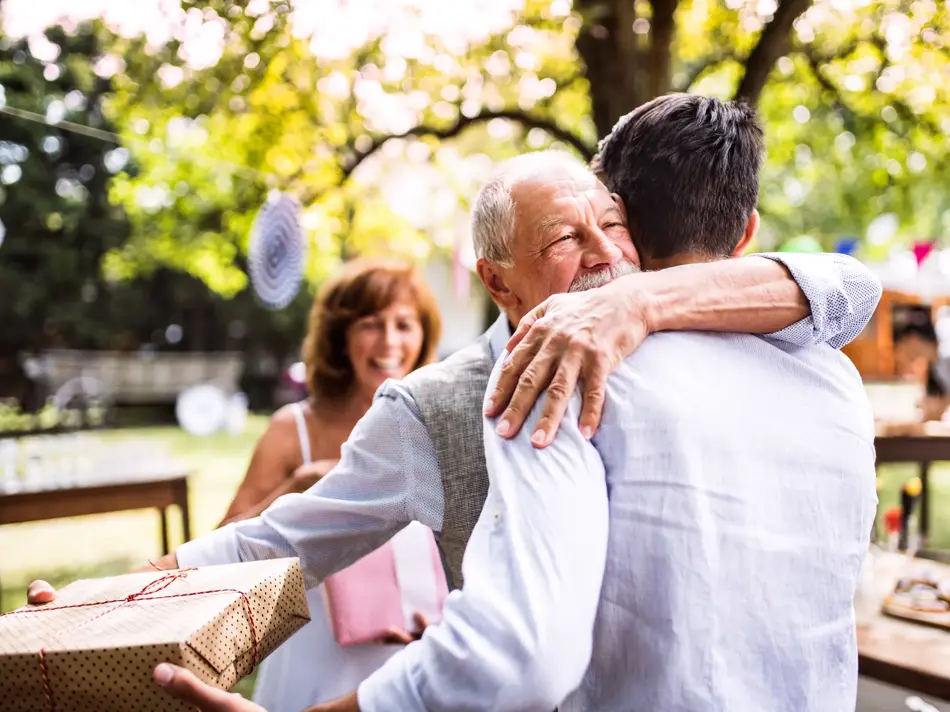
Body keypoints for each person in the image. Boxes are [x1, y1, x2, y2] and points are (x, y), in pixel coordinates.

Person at [30, 151, 880, 709]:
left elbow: (848, 287)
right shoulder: (440, 405)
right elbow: (285, 542)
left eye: (610, 224)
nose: (604, 253)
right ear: (497, 281)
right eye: (563, 238)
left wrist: (646, 300)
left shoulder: (694, 344)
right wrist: (113, 599)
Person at [320, 95, 879, 712]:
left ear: (623, 222)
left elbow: (525, 655)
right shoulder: (837, 379)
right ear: (747, 231)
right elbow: (851, 286)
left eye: (605, 222)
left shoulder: (571, 367)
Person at [220, 258, 442, 712]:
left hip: (411, 665)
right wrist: (295, 487)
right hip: (312, 662)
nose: (390, 342)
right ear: (340, 336)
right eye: (370, 324)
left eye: (405, 324)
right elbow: (222, 550)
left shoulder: (435, 425)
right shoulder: (293, 429)